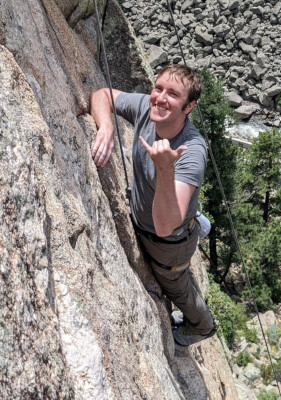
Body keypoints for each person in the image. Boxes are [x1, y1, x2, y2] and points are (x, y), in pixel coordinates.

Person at [89, 64, 217, 346]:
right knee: (182, 209)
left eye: (173, 94)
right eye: (158, 88)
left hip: (168, 240)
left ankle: (203, 327)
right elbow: (102, 94)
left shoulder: (192, 151)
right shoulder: (149, 109)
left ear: (189, 106)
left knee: (176, 286)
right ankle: (195, 218)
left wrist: (165, 171)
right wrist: (107, 125)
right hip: (167, 211)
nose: (160, 97)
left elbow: (164, 226)